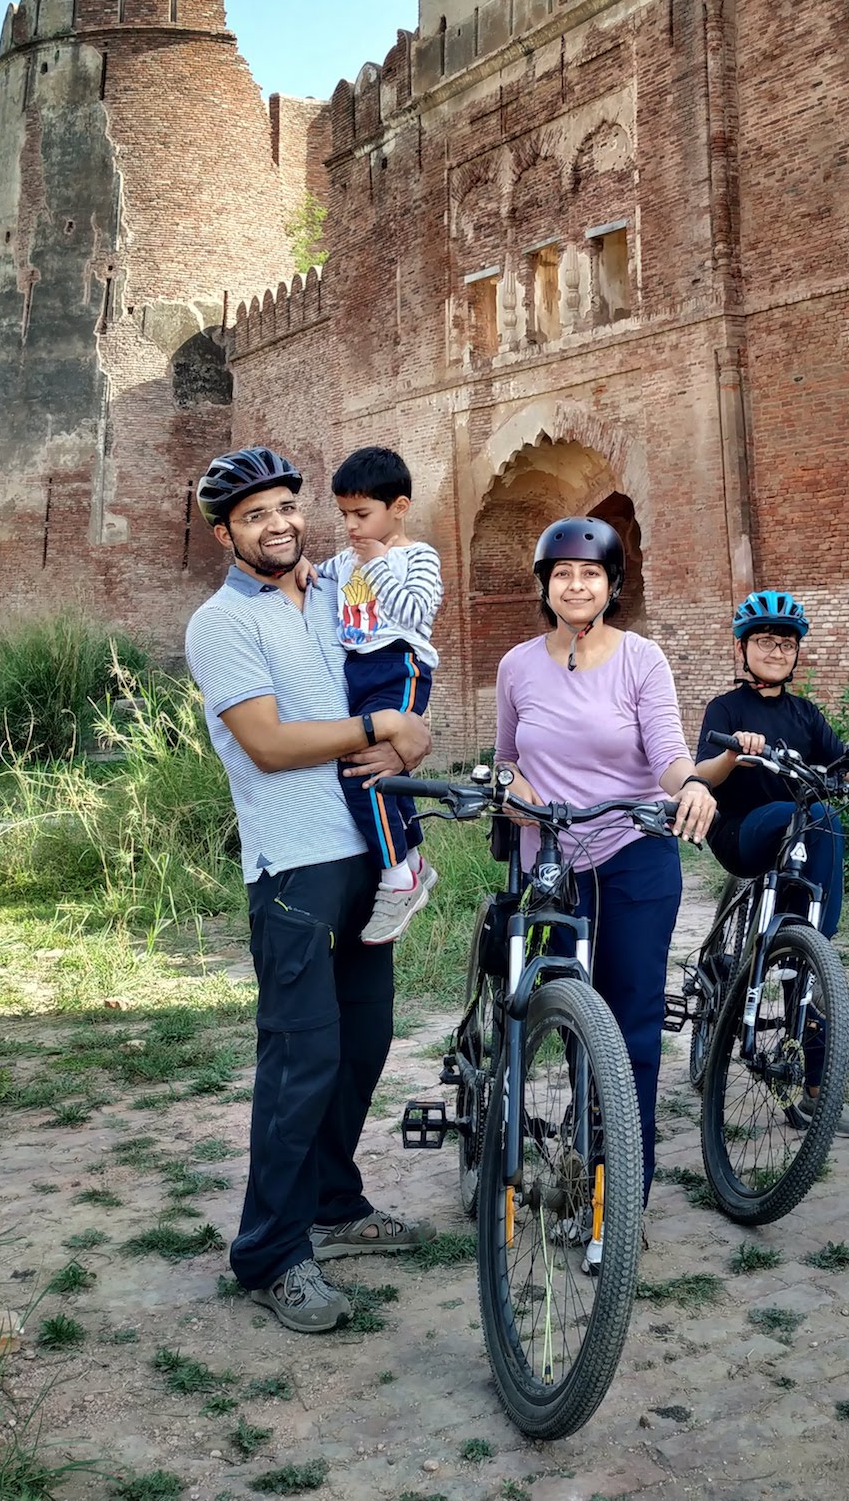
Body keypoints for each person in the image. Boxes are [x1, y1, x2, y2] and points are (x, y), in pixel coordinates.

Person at [184, 445, 434, 1334]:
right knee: (300, 1062)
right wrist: (378, 725)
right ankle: (271, 1253)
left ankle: (334, 1201)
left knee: (363, 1042)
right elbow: (269, 742)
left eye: (286, 506)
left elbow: (397, 667)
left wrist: (411, 732)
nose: (278, 523)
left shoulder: (335, 589)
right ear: (225, 534)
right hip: (293, 865)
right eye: (254, 515)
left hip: (368, 850)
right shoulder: (219, 623)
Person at [494, 515, 716, 1221]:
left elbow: (667, 751)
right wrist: (513, 789)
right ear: (544, 584)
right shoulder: (516, 666)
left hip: (631, 853)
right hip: (554, 860)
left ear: (611, 584)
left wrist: (691, 786)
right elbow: (504, 757)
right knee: (573, 1018)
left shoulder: (640, 659)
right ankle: (585, 1143)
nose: (576, 584)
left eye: (590, 573)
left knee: (634, 1022)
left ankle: (621, 1194)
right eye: (562, 573)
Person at [690, 590, 849, 1138]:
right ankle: (814, 932)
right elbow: (703, 773)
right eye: (766, 641)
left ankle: (815, 1089)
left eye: (786, 642)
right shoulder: (726, 708)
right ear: (744, 647)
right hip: (742, 832)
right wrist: (733, 751)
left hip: (796, 838)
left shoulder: (804, 714)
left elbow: (847, 762)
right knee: (816, 812)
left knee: (809, 970)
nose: (776, 650)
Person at [303, 445, 444, 946]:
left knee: (366, 773)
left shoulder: (418, 557)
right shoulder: (345, 561)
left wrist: (381, 564)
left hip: (400, 664)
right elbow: (319, 582)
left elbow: (414, 613)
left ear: (398, 507)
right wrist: (305, 570)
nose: (352, 527)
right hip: (358, 670)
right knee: (380, 771)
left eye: (362, 514)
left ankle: (398, 876)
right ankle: (413, 861)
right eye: (344, 515)